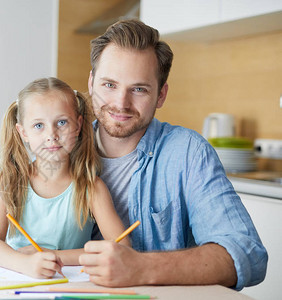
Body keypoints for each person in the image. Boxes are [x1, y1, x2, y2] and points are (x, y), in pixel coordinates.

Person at [78, 19, 268, 290]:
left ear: (161, 95)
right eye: (109, 85)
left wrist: (140, 267)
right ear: (91, 81)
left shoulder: (189, 153)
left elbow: (247, 252)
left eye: (139, 89)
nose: (121, 103)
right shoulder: (62, 146)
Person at [0, 77, 129, 279]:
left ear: (78, 126)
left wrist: (52, 256)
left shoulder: (91, 188)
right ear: (23, 132)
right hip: (17, 280)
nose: (51, 135)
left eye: (61, 122)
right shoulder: (10, 180)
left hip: (71, 283)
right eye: (38, 126)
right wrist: (26, 264)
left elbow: (122, 247)